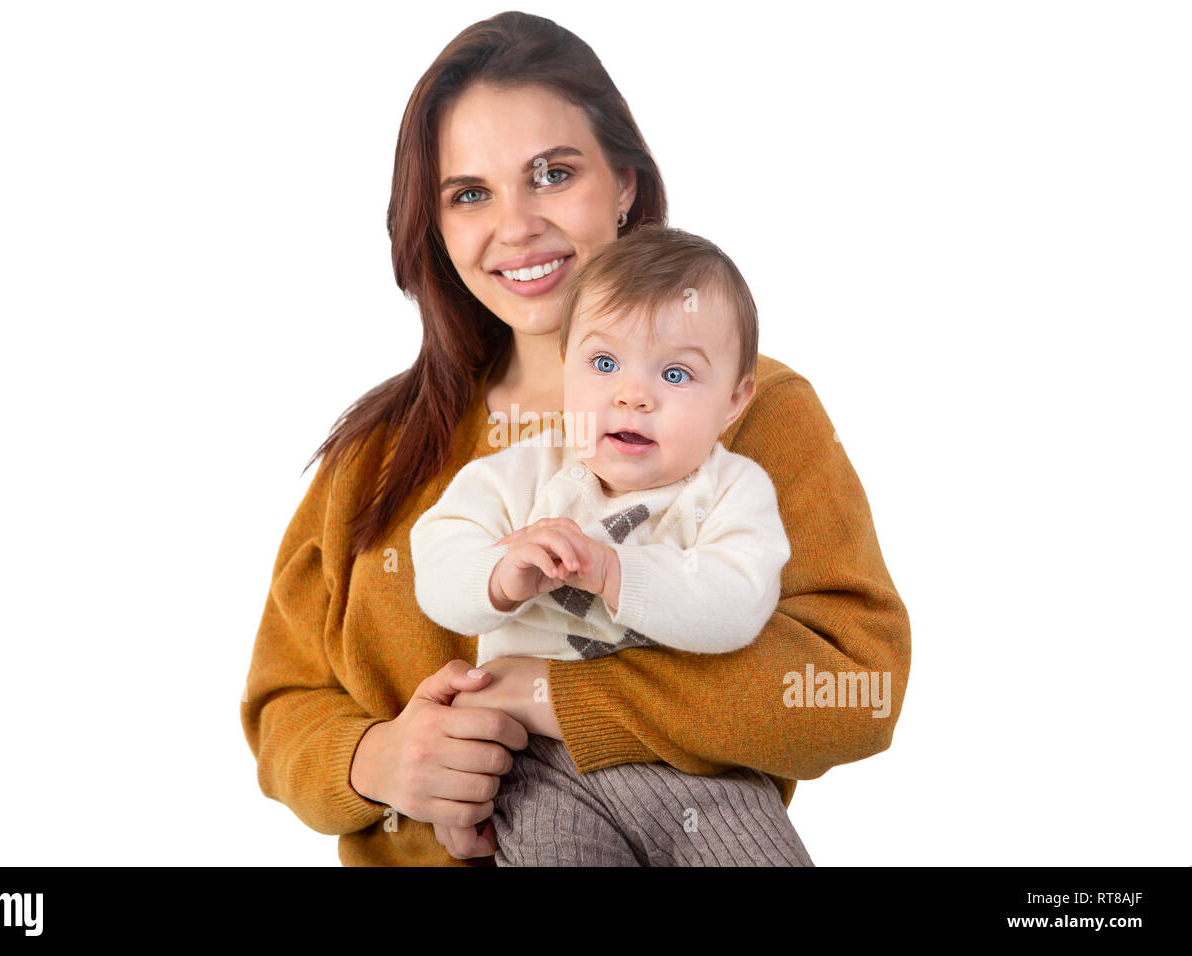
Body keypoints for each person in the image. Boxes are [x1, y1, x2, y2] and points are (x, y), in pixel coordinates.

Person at [240, 11, 910, 866]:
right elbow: (283, 704)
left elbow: (858, 686)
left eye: (552, 174)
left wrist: (564, 699)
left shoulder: (754, 410)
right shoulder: (374, 454)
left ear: (625, 183)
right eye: (470, 193)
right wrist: (376, 762)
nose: (515, 226)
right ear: (436, 226)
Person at [409, 223, 815, 865]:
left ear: (735, 401)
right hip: (538, 769)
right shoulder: (518, 475)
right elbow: (435, 561)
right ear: (565, 364)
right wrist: (499, 575)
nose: (633, 394)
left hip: (696, 764)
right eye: (604, 364)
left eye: (676, 373)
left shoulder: (735, 489)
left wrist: (618, 572)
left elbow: (738, 602)